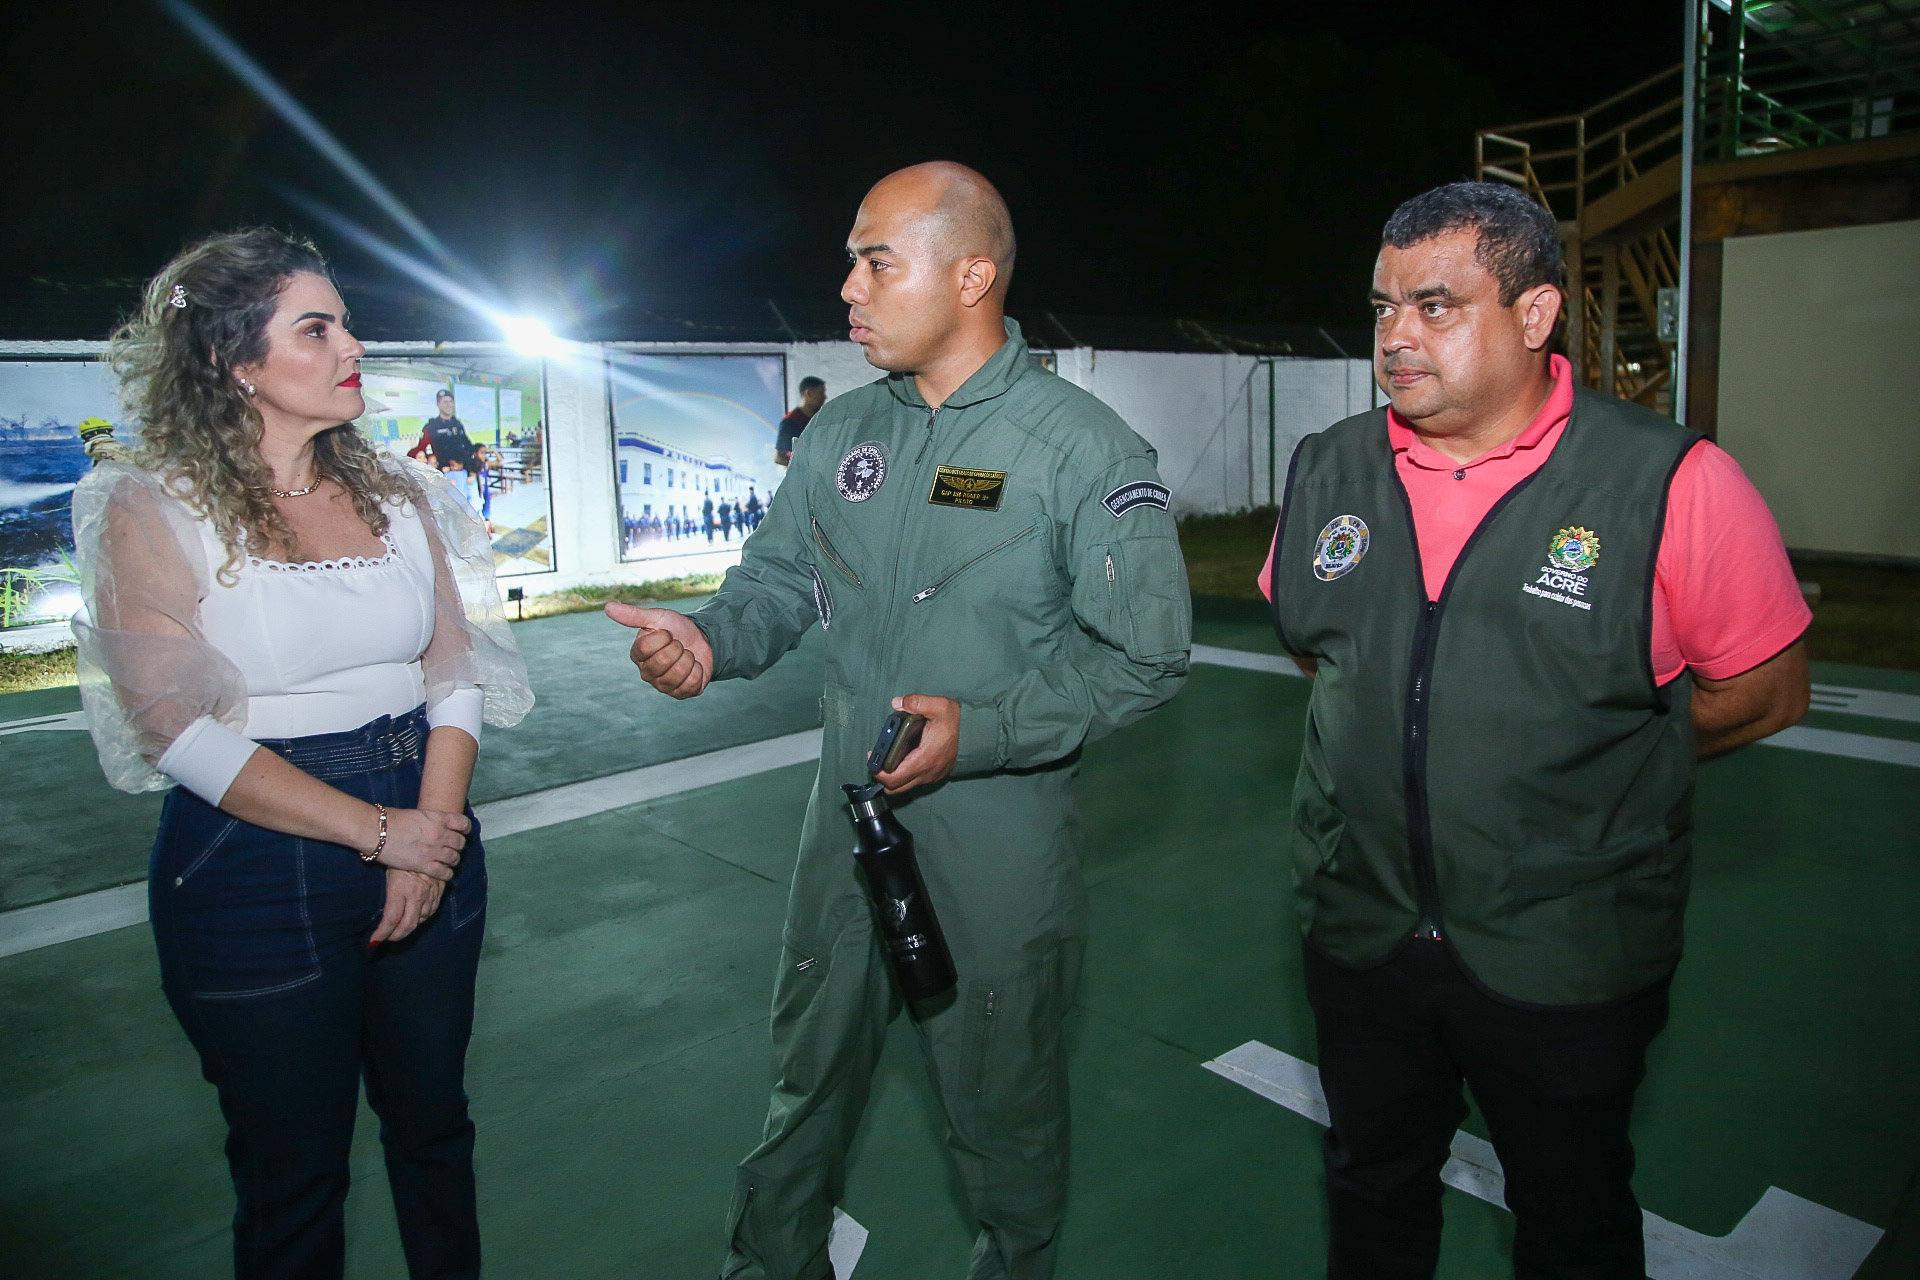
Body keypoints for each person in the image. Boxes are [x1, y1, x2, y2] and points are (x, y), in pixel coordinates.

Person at [608, 161, 1191, 1280]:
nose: (848, 287)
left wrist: (984, 731)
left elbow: (1147, 655)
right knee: (805, 1076)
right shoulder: (842, 436)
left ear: (972, 274)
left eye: (877, 259)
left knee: (1000, 1103)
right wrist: (713, 638)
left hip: (995, 840)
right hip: (845, 826)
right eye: (852, 258)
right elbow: (779, 581)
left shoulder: (1082, 450)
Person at [1261, 182, 1812, 1279]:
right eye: (1380, 308)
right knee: (1371, 1186)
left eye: (1435, 304)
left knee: (1571, 1215)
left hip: (1567, 947)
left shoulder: (1669, 481)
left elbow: (1763, 687)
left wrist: (1595, 765)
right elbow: (1323, 646)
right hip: (1362, 928)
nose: (1395, 338)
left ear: (1536, 314)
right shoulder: (1330, 464)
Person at [71, 229, 533, 1280]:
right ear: (237, 362)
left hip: (428, 806)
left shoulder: (399, 496)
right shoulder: (151, 506)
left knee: (435, 1129)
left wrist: (432, 833)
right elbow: (172, 730)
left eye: (345, 321)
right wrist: (386, 836)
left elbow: (452, 671)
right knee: (292, 1171)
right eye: (315, 327)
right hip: (252, 853)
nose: (350, 344)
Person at [775, 376, 825, 466]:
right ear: (809, 393)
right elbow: (780, 458)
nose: (824, 397)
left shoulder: (820, 419)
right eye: (820, 393)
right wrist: (808, 467)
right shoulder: (790, 422)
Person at [424, 390, 476, 475]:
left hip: (462, 470)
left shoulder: (458, 424)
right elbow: (422, 449)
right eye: (445, 402)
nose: (449, 405)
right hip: (443, 471)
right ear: (438, 404)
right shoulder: (432, 426)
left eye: (451, 402)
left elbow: (468, 445)